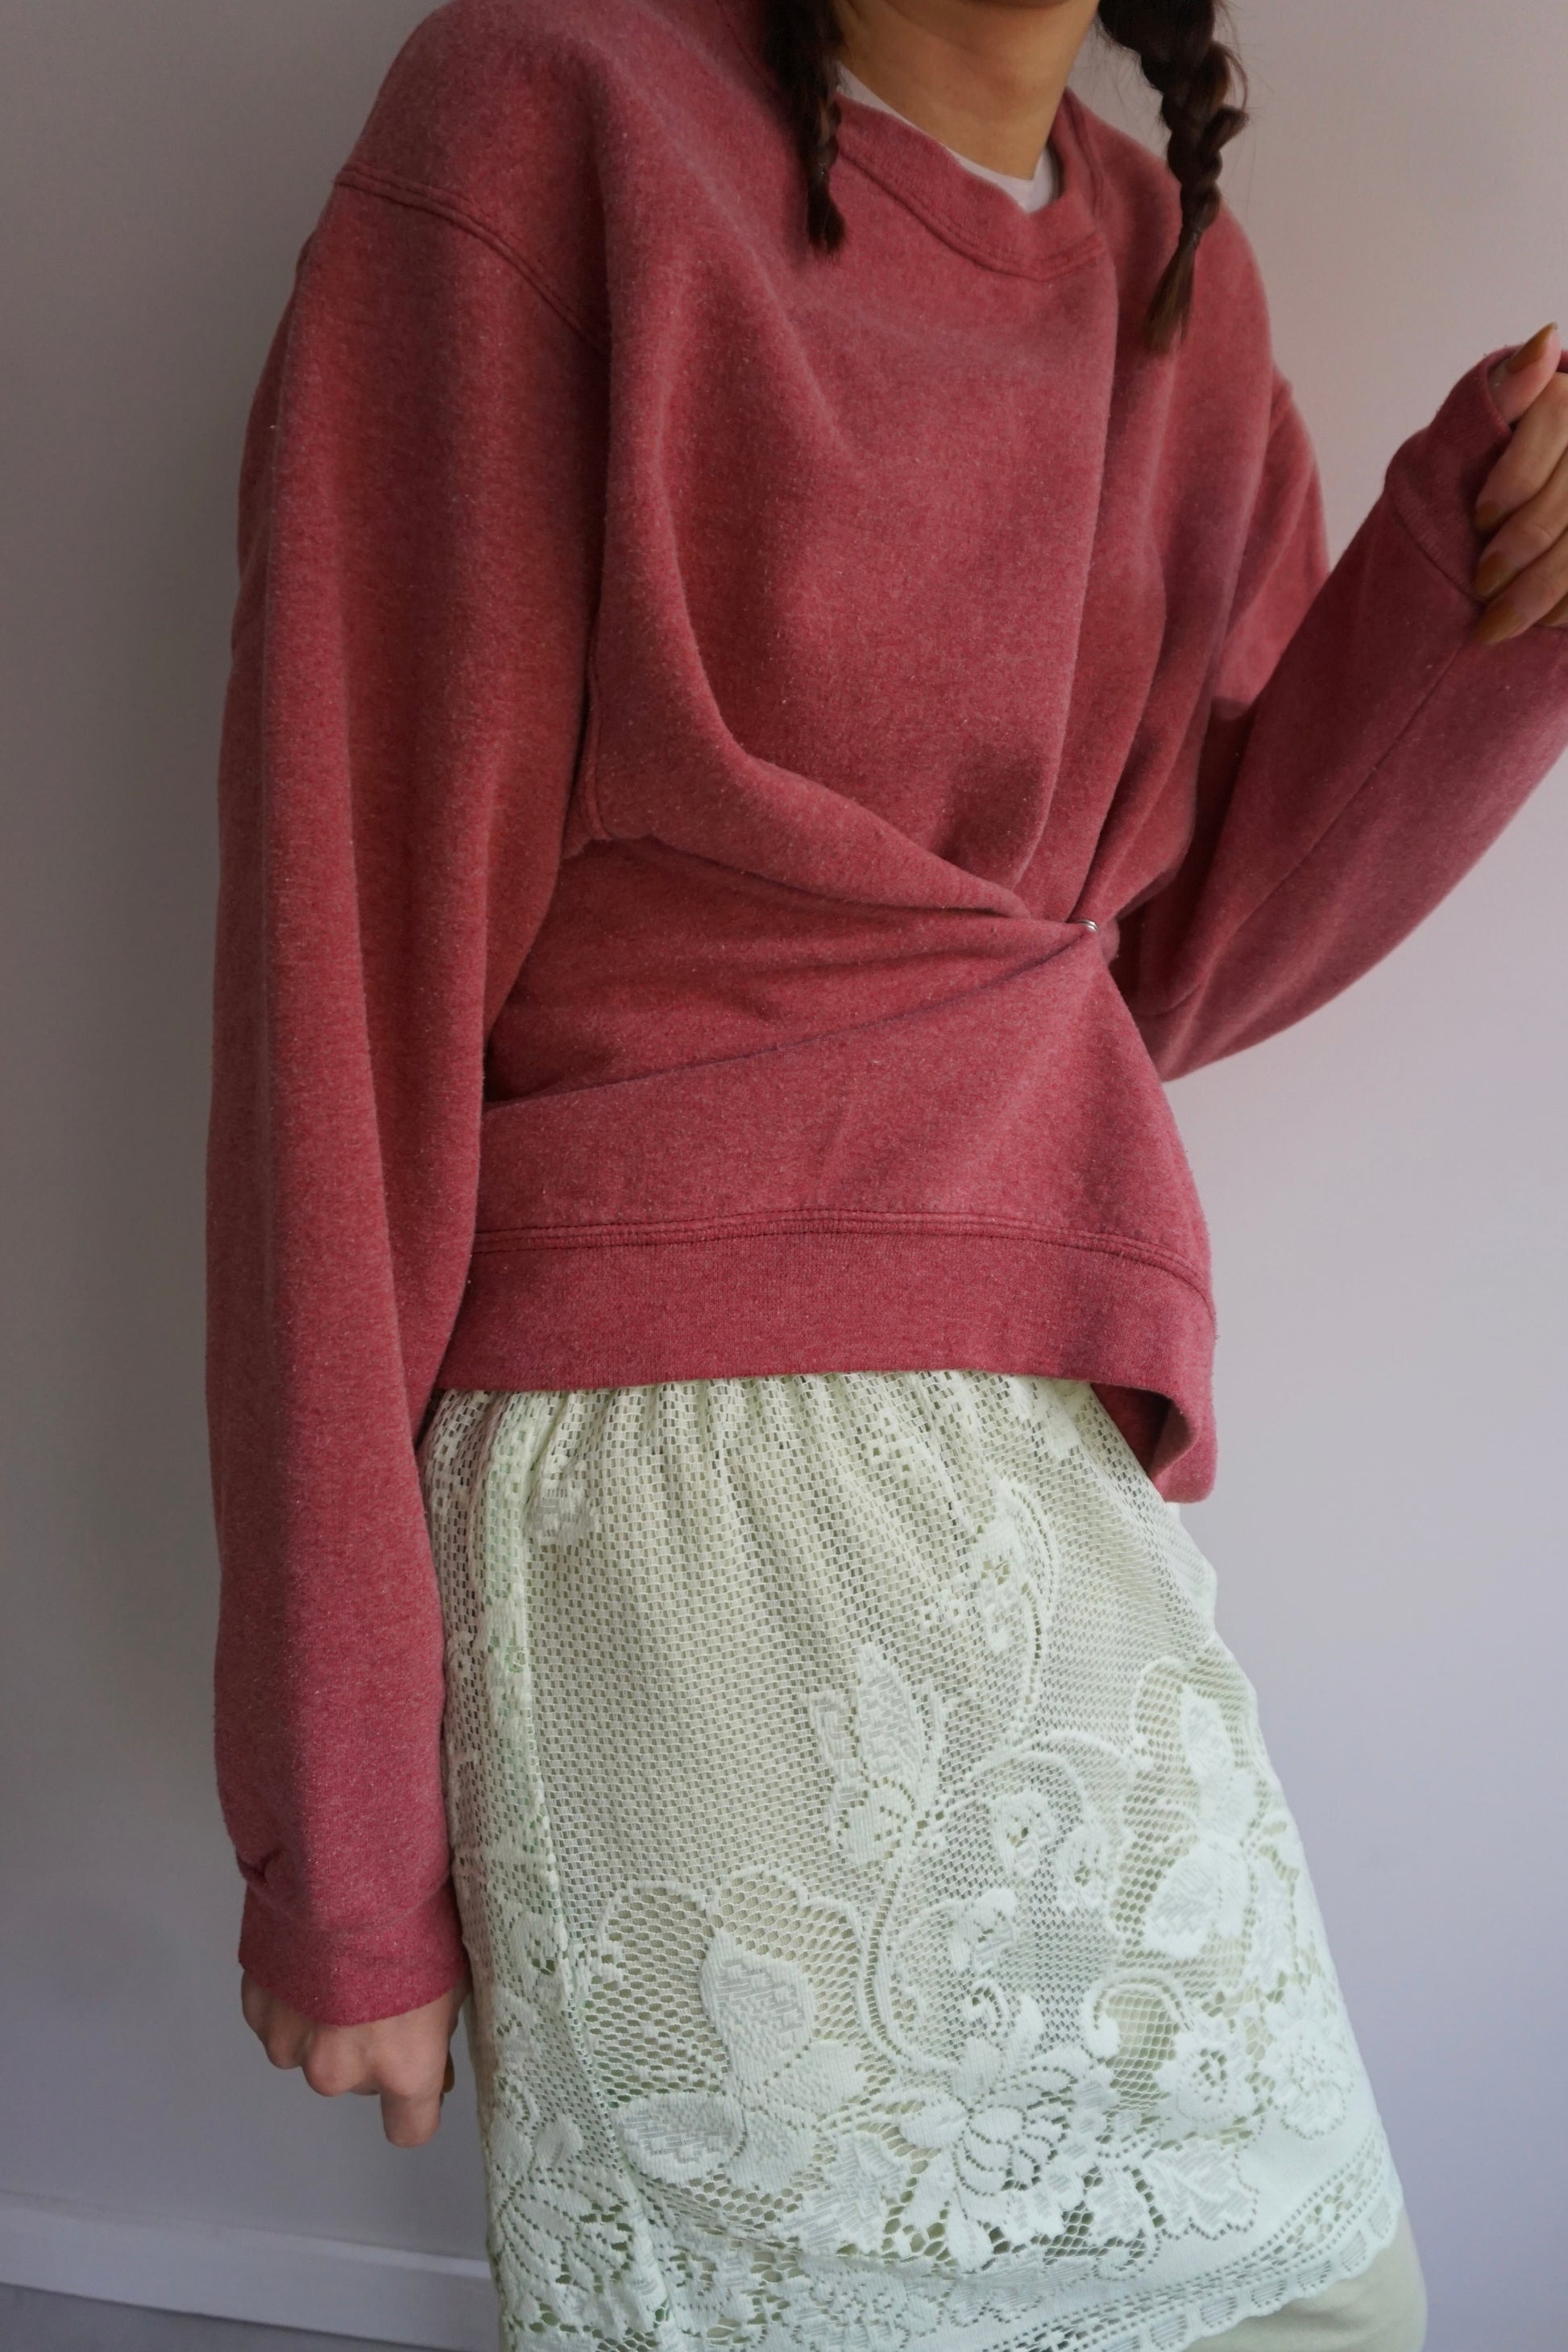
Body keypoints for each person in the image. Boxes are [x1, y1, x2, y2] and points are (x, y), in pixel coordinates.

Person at [205, 1, 1568, 2345]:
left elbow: (1165, 956)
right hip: (672, 1487)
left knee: (1320, 2304)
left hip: (1035, 1446)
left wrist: (1493, 597)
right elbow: (341, 992)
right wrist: (342, 1845)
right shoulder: (559, 123)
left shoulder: (1170, 273)